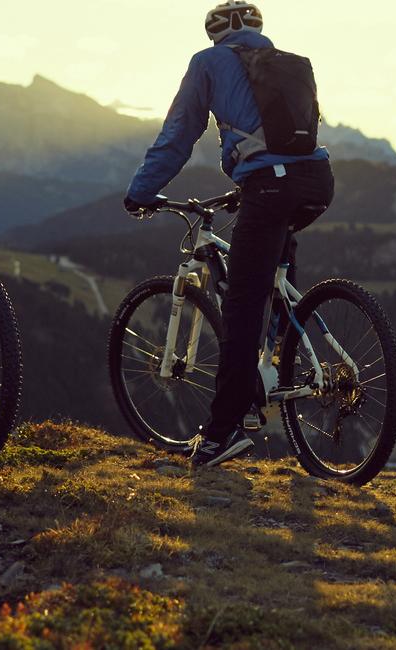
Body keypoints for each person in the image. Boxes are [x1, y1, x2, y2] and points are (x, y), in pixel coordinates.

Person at [123, 1, 334, 469]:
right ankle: (270, 368)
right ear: (258, 29)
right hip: (316, 181)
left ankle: (223, 433)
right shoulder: (287, 65)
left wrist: (141, 191)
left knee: (241, 304)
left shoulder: (209, 63)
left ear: (215, 32)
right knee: (273, 275)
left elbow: (180, 134)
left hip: (268, 185)